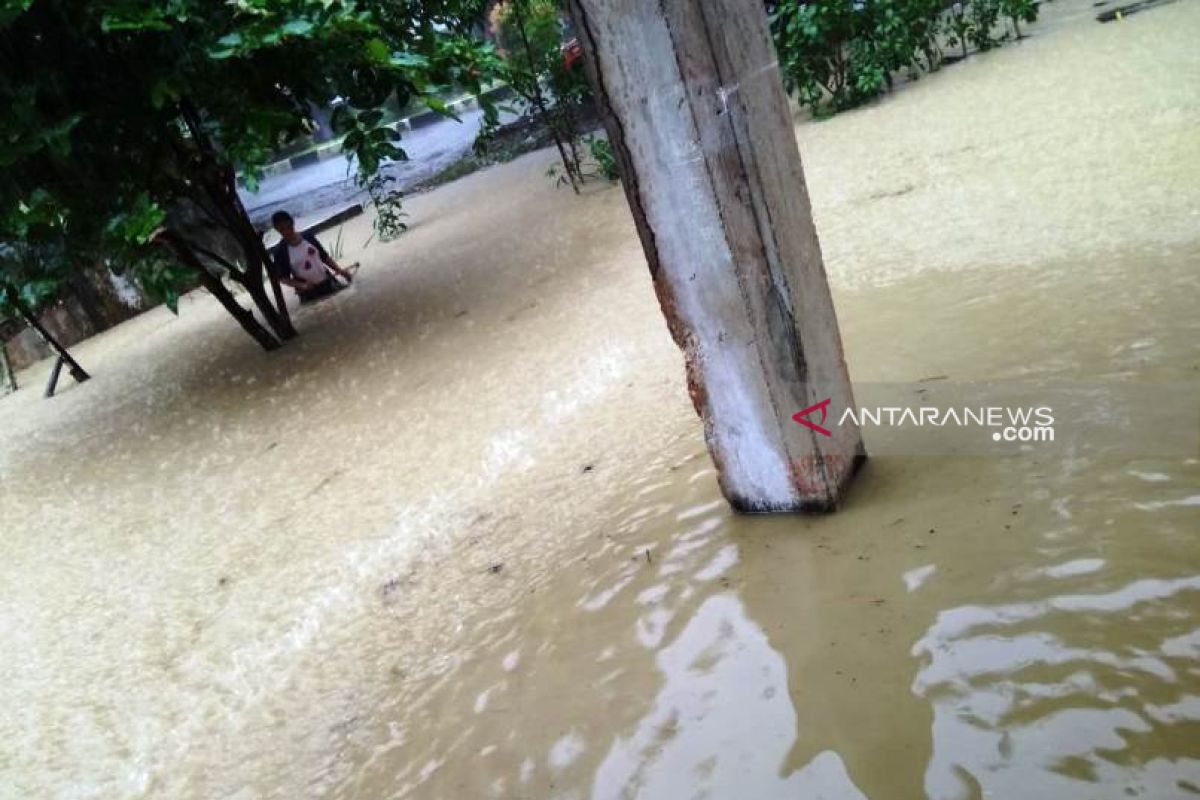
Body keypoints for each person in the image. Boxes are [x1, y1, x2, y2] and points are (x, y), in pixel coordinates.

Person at [269, 210, 355, 304]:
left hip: (329, 282)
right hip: (308, 293)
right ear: (277, 230)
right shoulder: (280, 251)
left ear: (292, 222)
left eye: (288, 226)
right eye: (282, 229)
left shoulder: (308, 236)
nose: (286, 231)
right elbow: (283, 278)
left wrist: (340, 271)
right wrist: (301, 285)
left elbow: (325, 257)